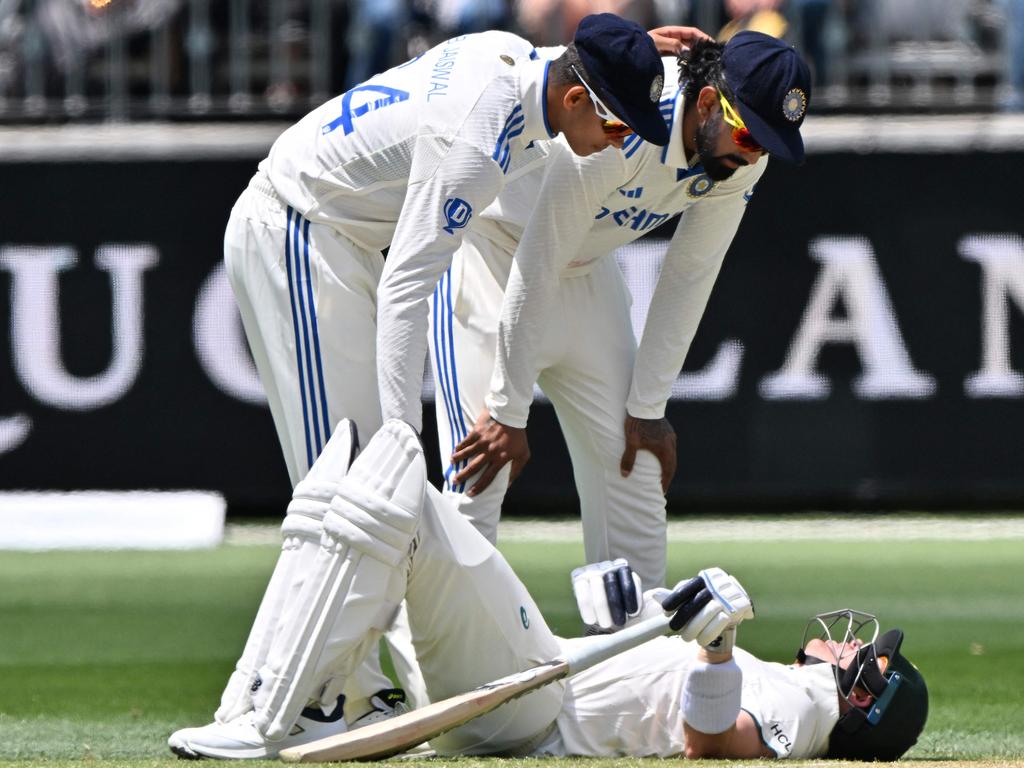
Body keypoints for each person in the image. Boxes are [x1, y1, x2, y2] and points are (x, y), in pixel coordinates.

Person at [214, 11, 689, 730]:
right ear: (575, 102)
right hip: (297, 226)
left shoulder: (514, 60)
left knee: (365, 489)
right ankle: (312, 697)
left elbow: (564, 63)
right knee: (348, 482)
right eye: (618, 127)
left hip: (342, 243)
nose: (619, 145)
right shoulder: (479, 140)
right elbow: (409, 286)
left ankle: (355, 686)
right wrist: (408, 438)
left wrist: (626, 56)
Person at [168, 419, 928, 760]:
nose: (857, 641)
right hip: (535, 680)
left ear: (864, 695)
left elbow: (716, 747)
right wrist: (640, 616)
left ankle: (284, 716)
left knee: (398, 463)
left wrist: (719, 652)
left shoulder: (807, 704)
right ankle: (268, 700)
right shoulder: (793, 688)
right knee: (358, 479)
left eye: (870, 654)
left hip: (532, 704)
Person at [434, 32, 812, 589]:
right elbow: (538, 259)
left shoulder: (739, 158)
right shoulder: (630, 117)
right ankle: (447, 675)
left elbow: (690, 273)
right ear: (707, 103)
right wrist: (509, 410)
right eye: (748, 134)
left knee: (637, 470)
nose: (754, 154)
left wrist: (649, 405)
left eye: (768, 144)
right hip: (493, 258)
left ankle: (635, 667)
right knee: (477, 480)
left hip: (586, 270)